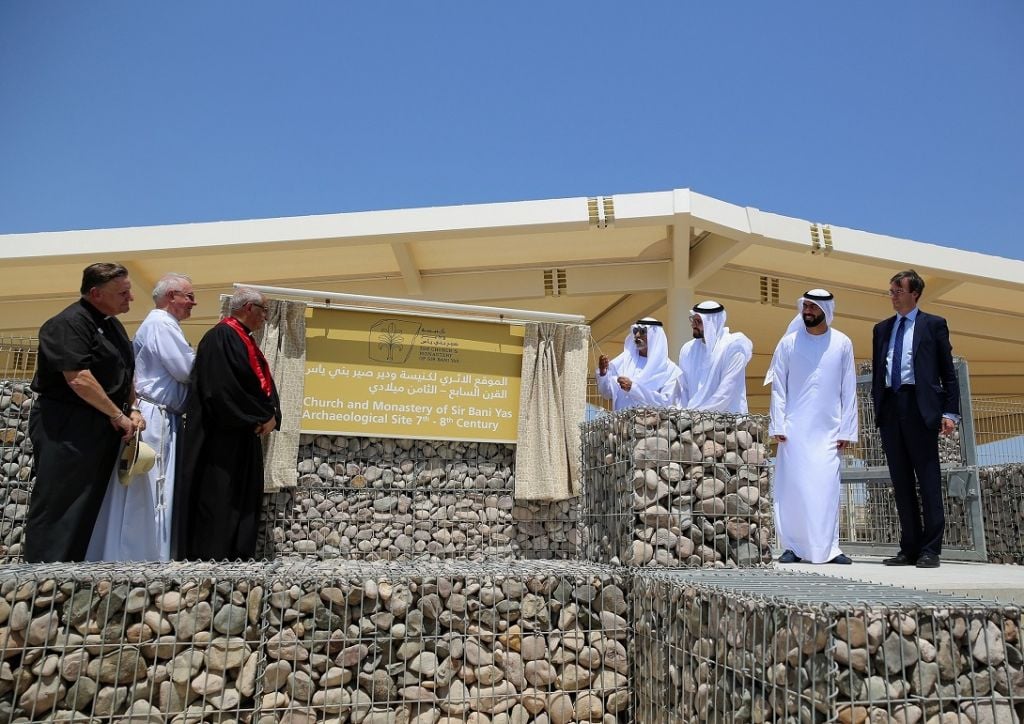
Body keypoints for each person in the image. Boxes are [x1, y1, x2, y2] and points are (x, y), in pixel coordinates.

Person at [23, 263, 144, 562]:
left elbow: (126, 371)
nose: (130, 298)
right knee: (60, 499)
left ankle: (73, 571)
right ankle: (42, 573)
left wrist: (135, 407)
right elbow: (78, 377)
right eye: (123, 293)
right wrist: (117, 414)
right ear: (96, 293)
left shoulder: (112, 324)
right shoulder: (68, 323)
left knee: (89, 501)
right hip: (67, 423)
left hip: (101, 423)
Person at [87, 273, 197, 561]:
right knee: (149, 487)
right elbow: (186, 369)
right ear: (171, 296)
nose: (193, 303)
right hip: (154, 415)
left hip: (163, 414)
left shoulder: (161, 323)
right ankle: (139, 555)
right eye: (189, 296)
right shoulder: (162, 323)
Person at [175, 287, 281, 560]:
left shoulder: (242, 339)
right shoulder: (221, 337)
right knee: (219, 499)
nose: (265, 318)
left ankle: (237, 559)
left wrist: (272, 415)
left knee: (241, 499)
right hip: (221, 439)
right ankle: (213, 560)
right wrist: (260, 416)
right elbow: (223, 390)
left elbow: (257, 384)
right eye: (263, 311)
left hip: (242, 434)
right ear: (248, 308)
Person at [872, 270, 959, 569]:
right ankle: (909, 547)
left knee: (928, 478)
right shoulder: (881, 329)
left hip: (920, 407)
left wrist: (950, 412)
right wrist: (879, 408)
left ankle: (930, 549)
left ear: (915, 294)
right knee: (901, 481)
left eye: (898, 290)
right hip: (891, 407)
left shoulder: (933, 325)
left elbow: (948, 372)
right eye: (891, 290)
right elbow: (879, 370)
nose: (893, 295)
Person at [766, 289, 858, 565]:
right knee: (793, 489)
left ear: (825, 310)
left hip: (829, 431)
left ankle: (830, 548)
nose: (807, 311)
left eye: (812, 307)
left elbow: (848, 388)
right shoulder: (788, 343)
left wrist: (846, 429)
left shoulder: (842, 342)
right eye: (804, 306)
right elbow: (778, 386)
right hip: (794, 430)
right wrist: (778, 423)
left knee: (826, 488)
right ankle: (793, 547)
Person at [675, 300, 753, 413]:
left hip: (728, 423)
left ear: (711, 322)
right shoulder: (687, 350)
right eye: (692, 320)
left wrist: (696, 414)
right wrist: (684, 415)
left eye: (698, 321)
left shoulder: (733, 348)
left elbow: (725, 392)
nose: (693, 325)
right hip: (692, 422)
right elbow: (683, 388)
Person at [597, 318, 682, 410]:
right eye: (635, 331)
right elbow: (606, 393)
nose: (637, 335)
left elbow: (666, 403)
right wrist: (603, 373)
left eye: (642, 332)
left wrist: (633, 389)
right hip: (621, 422)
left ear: (654, 336)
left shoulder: (670, 370)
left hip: (651, 423)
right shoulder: (623, 362)